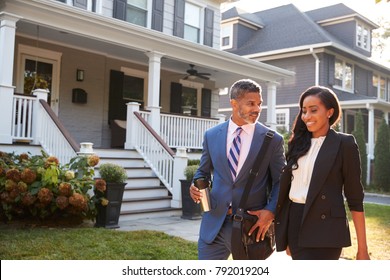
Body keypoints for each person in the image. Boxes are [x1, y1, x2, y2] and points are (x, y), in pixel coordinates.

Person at [189, 79, 285, 260]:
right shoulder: (211, 135)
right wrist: (195, 185)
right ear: (234, 104)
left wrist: (271, 212)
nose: (257, 109)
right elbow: (203, 172)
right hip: (214, 225)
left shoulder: (272, 140)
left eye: (259, 104)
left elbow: (281, 181)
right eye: (251, 103)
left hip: (251, 227)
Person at [275, 85, 370, 260]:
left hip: (326, 230)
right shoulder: (298, 144)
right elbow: (289, 191)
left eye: (313, 110)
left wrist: (362, 249)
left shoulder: (344, 144)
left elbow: (355, 198)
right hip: (296, 222)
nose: (307, 116)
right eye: (304, 111)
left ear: (329, 112)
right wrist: (286, 233)